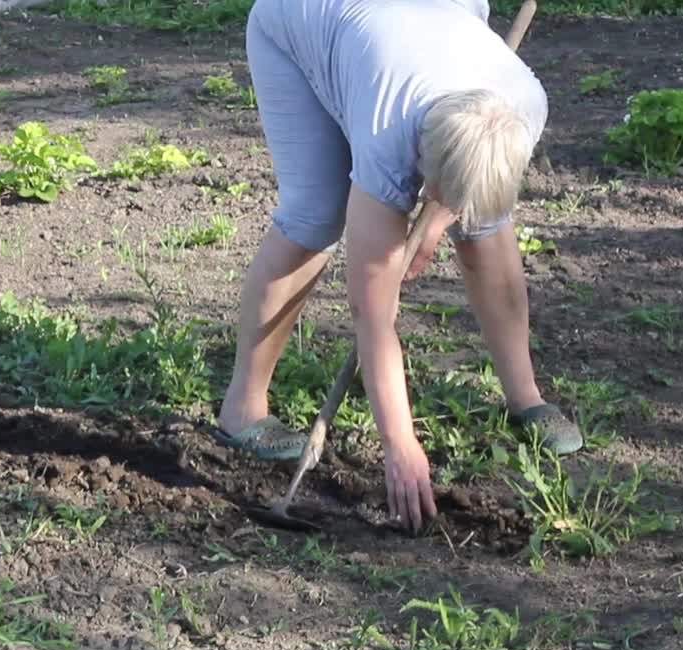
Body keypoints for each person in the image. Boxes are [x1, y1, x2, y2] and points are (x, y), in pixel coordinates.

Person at [213, 0, 583, 533]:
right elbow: (372, 310)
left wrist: (441, 216)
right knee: (315, 216)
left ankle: (525, 397)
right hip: (299, 22)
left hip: (431, 24)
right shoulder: (387, 127)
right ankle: (242, 407)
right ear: (419, 157)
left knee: (484, 229)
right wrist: (400, 442)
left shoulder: (524, 104)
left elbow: (471, 186)